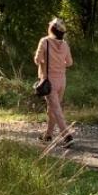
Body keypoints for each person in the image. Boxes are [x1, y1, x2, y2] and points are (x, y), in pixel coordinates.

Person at [35, 17, 73, 147]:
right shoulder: (65, 44)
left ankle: (67, 136)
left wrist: (46, 62)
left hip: (49, 81)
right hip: (62, 80)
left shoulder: (44, 41)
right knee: (51, 109)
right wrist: (59, 62)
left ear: (51, 28)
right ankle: (48, 135)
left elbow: (37, 59)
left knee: (55, 109)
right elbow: (69, 63)